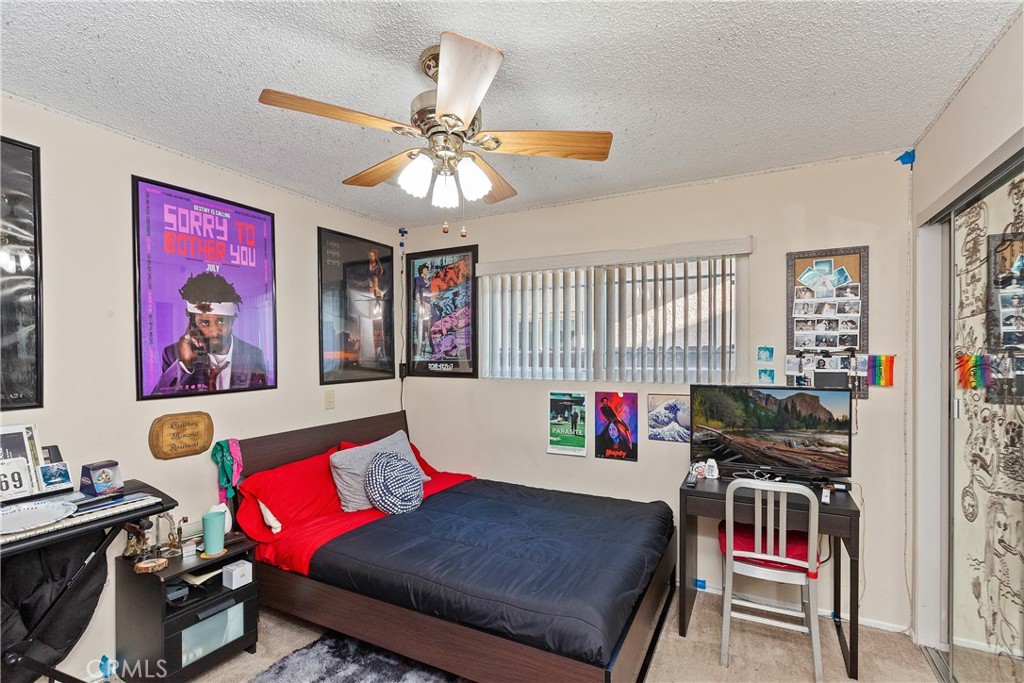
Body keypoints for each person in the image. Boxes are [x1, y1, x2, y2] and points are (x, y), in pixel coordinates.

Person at [152, 272, 267, 393]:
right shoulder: (172, 354)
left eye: (221, 321)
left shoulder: (253, 355)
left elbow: (262, 399)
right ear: (192, 323)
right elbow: (159, 398)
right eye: (205, 323)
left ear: (232, 321)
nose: (214, 332)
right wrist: (185, 365)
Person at [413, 264, 432, 355]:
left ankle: (426, 345)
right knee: (420, 324)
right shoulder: (419, 279)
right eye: (425, 269)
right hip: (421, 302)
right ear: (421, 270)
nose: (426, 271)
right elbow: (418, 290)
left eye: (427, 270)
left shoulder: (427, 280)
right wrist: (419, 301)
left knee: (427, 324)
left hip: (427, 302)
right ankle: (418, 349)